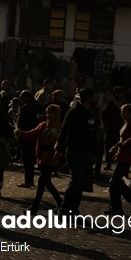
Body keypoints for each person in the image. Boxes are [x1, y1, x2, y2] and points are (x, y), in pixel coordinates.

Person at [56, 88, 97, 216]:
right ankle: (63, 209)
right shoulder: (73, 112)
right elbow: (63, 131)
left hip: (87, 152)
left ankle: (74, 210)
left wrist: (95, 152)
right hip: (75, 150)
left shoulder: (91, 113)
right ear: (89, 98)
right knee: (76, 180)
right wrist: (59, 149)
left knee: (81, 183)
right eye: (94, 96)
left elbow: (93, 134)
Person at [17, 104, 64, 213]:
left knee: (43, 180)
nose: (49, 116)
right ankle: (60, 203)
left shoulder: (59, 128)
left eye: (51, 113)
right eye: (47, 113)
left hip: (52, 157)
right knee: (44, 182)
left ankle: (35, 206)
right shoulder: (43, 125)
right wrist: (21, 133)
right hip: (43, 156)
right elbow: (32, 133)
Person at [16, 90, 40, 188]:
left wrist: (19, 131)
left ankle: (28, 180)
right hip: (36, 135)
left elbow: (22, 122)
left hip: (26, 135)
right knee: (32, 158)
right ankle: (31, 179)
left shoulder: (26, 106)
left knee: (27, 159)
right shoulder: (38, 106)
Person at [101, 86, 125, 171]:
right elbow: (104, 115)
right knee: (109, 146)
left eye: (120, 93)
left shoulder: (125, 104)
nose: (119, 95)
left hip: (122, 129)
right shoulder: (110, 103)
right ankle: (109, 163)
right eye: (117, 93)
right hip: (111, 129)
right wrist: (105, 126)